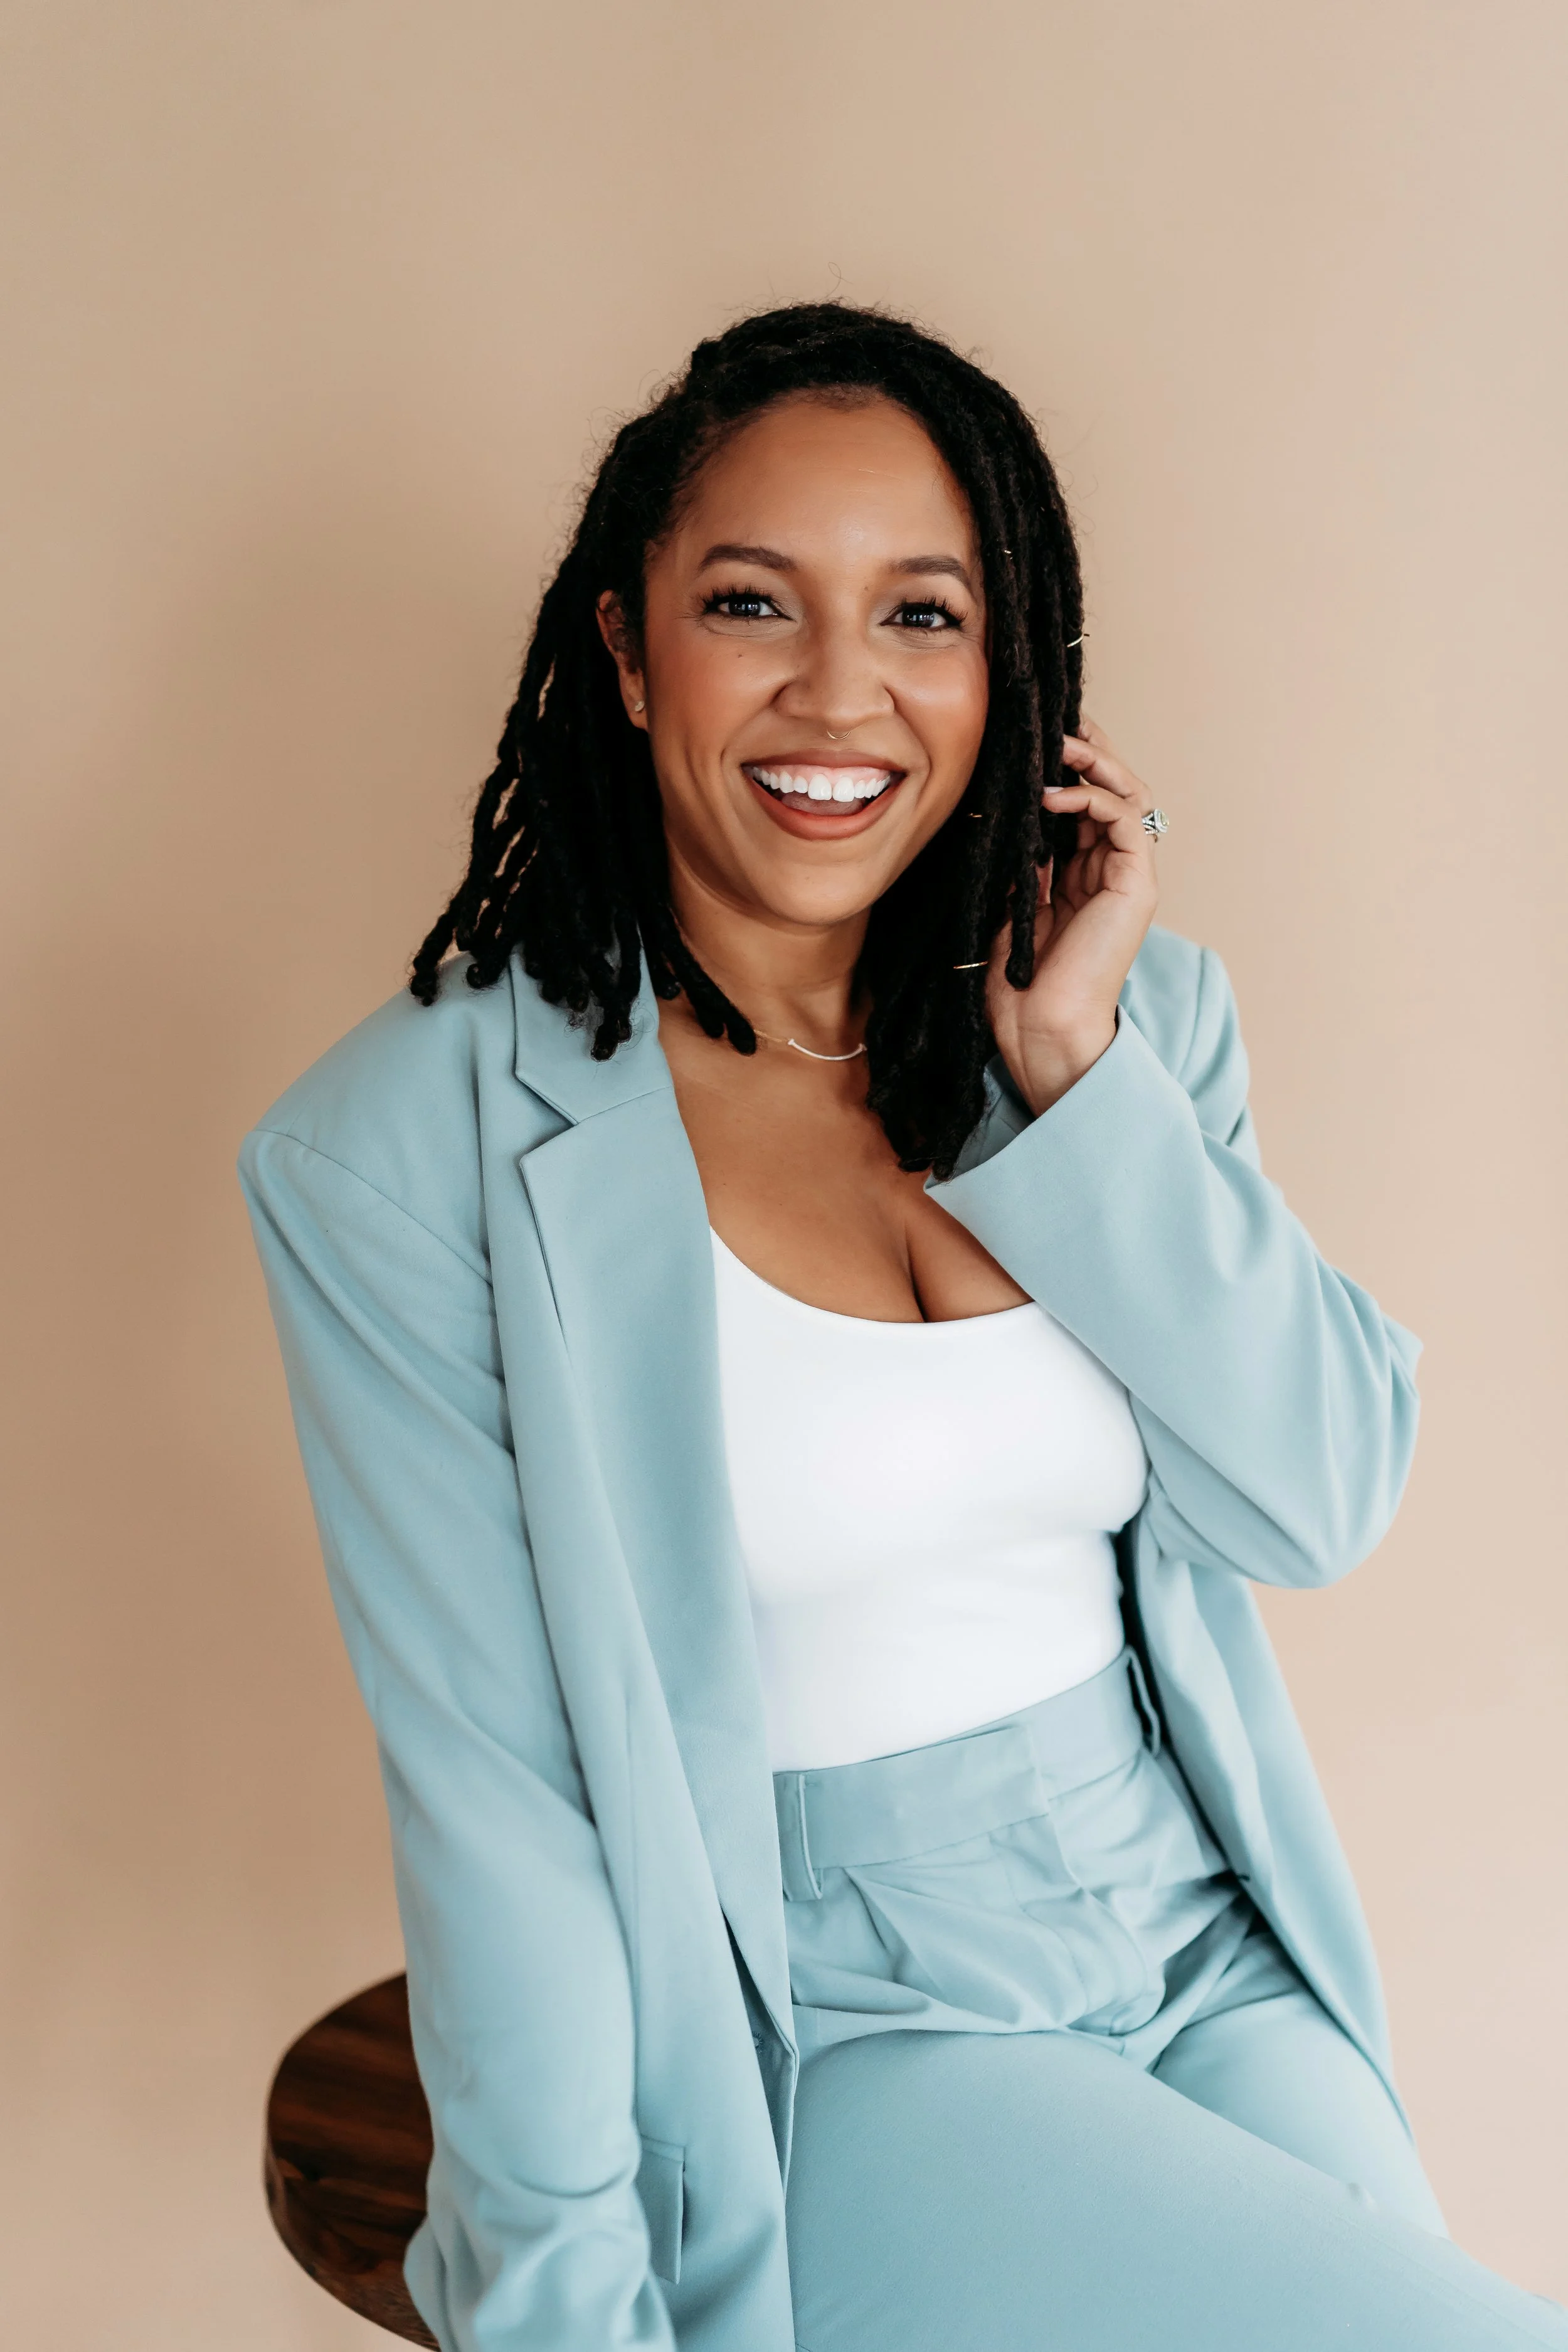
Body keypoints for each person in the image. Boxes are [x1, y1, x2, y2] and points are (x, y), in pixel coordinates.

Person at [240, 303, 1566, 2351]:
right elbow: (496, 1800)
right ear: (623, 647)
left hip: (1197, 1934)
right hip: (829, 2003)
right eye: (750, 602)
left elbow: (1315, 1497)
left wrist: (1081, 1079)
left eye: (922, 614)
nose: (837, 691)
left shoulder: (1112, 1025)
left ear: (1004, 664)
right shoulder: (401, 1153)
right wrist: (563, 2309)